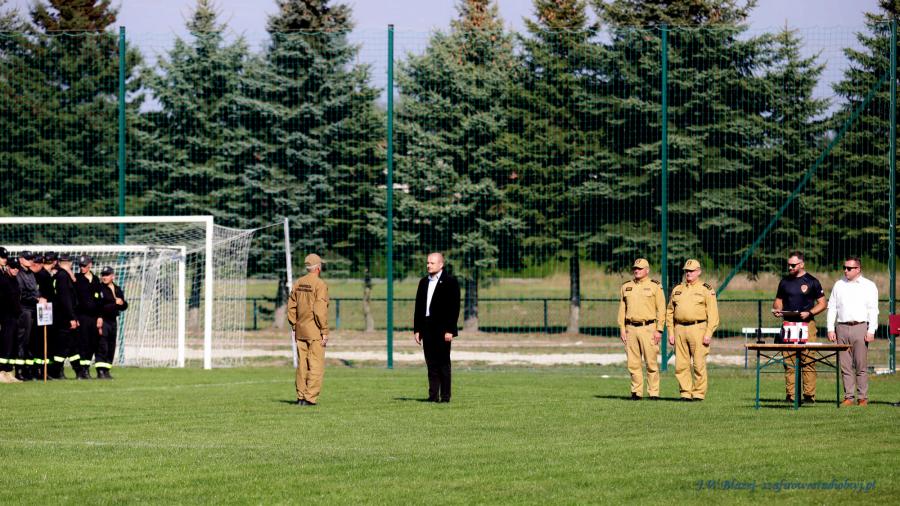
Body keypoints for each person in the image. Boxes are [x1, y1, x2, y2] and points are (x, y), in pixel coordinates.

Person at [771, 251, 826, 403]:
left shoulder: (812, 281)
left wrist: (810, 312)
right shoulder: (784, 282)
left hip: (807, 325)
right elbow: (778, 301)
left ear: (802, 264)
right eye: (789, 265)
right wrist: (778, 309)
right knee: (789, 362)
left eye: (793, 265)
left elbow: (822, 304)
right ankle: (791, 395)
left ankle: (809, 396)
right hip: (788, 324)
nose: (790, 267)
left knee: (808, 360)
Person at [827, 256, 878, 407]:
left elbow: (873, 310)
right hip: (841, 327)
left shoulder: (869, 286)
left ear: (858, 269)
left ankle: (862, 398)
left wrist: (871, 330)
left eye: (849, 268)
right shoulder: (839, 285)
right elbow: (832, 307)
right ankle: (849, 397)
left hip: (860, 327)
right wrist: (830, 328)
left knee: (860, 365)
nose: (845, 270)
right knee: (845, 365)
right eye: (844, 267)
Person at [666, 259, 719, 401]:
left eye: (691, 271)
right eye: (686, 271)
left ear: (698, 272)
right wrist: (670, 332)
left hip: (698, 328)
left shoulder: (706, 289)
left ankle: (698, 393)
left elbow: (713, 315)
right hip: (679, 329)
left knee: (698, 364)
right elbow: (669, 312)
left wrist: (708, 333)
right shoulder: (677, 289)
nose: (688, 273)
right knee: (681, 364)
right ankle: (685, 393)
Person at [413, 252, 460, 403]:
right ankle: (433, 396)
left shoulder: (450, 282)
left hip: (443, 329)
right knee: (431, 363)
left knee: (443, 363)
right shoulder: (423, 282)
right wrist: (417, 330)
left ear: (441, 265)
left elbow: (454, 308)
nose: (428, 265)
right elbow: (418, 307)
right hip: (427, 328)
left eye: (432, 263)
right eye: (427, 263)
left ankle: (445, 396)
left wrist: (450, 330)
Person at [617, 258, 666, 400]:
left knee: (651, 363)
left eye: (640, 268)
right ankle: (636, 392)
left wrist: (659, 329)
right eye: (635, 268)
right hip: (630, 329)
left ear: (647, 270)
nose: (636, 270)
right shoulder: (626, 286)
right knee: (633, 363)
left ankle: (653, 392)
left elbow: (661, 309)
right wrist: (622, 328)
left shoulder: (655, 286)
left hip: (648, 328)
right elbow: (622, 309)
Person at [286, 254, 330, 406]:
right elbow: (319, 310)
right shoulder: (320, 284)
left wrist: (294, 325)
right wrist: (324, 331)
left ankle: (300, 397)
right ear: (318, 268)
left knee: (302, 365)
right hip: (315, 331)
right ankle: (310, 398)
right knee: (316, 364)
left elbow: (291, 306)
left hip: (300, 330)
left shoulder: (299, 283)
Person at [14, 251, 41, 381]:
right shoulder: (19, 274)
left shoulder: (30, 274)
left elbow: (35, 291)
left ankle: (28, 370)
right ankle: (19, 371)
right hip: (24, 311)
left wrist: (40, 297)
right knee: (22, 341)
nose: (30, 261)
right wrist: (36, 299)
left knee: (31, 341)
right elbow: (21, 294)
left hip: (33, 310)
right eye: (27, 258)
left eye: (31, 259)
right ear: (20, 260)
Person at [74, 255, 102, 380]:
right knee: (82, 344)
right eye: (80, 265)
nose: (82, 268)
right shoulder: (77, 279)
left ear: (90, 264)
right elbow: (74, 300)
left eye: (84, 265)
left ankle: (86, 368)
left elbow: (100, 301)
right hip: (82, 317)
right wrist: (75, 317)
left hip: (94, 318)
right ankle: (82, 371)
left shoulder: (95, 279)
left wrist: (100, 317)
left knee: (92, 343)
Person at [97, 266, 128, 379]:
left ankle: (107, 370)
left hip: (113, 321)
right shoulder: (99, 288)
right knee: (102, 345)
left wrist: (122, 303)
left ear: (112, 276)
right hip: (103, 320)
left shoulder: (117, 289)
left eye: (107, 275)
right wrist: (115, 304)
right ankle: (100, 371)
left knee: (111, 346)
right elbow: (101, 306)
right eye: (103, 275)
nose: (104, 277)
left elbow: (123, 306)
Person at [53, 254, 80, 379]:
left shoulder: (59, 275)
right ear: (70, 263)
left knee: (72, 345)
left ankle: (79, 371)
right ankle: (57, 371)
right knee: (63, 346)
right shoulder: (63, 276)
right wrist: (72, 317)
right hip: (64, 316)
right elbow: (66, 299)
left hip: (62, 314)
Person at [0, 257, 23, 383]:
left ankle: (9, 371)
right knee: (5, 344)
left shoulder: (15, 280)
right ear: (8, 267)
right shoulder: (3, 280)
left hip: (15, 316)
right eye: (13, 267)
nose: (15, 270)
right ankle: (1, 371)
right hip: (6, 316)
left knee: (13, 345)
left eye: (17, 268)